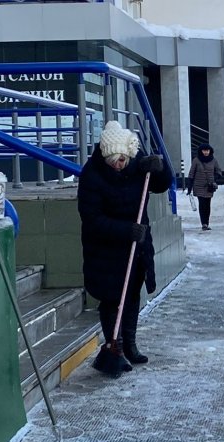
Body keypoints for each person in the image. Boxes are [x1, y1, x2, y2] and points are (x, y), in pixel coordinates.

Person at [78, 121, 172, 377]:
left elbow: (162, 184)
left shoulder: (137, 164)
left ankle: (130, 345)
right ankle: (114, 348)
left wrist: (160, 169)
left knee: (131, 296)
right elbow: (92, 218)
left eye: (121, 160)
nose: (117, 166)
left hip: (136, 245)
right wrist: (125, 230)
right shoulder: (92, 175)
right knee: (111, 299)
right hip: (105, 248)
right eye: (112, 161)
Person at [186, 143, 224, 231]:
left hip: (209, 187)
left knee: (207, 205)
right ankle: (204, 223)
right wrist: (189, 187)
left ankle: (207, 222)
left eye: (207, 150)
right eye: (204, 150)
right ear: (201, 151)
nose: (206, 152)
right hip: (198, 186)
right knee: (202, 204)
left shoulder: (213, 160)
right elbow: (191, 173)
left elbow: (218, 171)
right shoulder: (196, 160)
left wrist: (215, 178)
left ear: (210, 151)